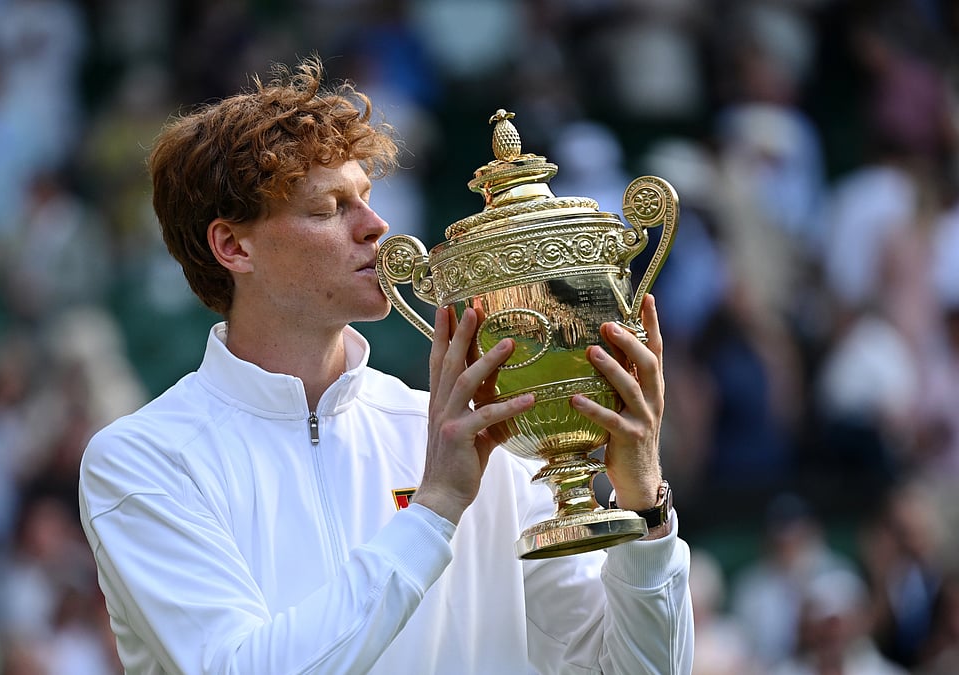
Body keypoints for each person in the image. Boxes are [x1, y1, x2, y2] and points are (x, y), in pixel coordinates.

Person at [78, 55, 693, 674]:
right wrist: (434, 510)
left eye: (367, 198)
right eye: (329, 209)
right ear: (233, 246)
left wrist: (644, 510)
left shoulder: (482, 438)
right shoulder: (142, 459)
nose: (376, 227)